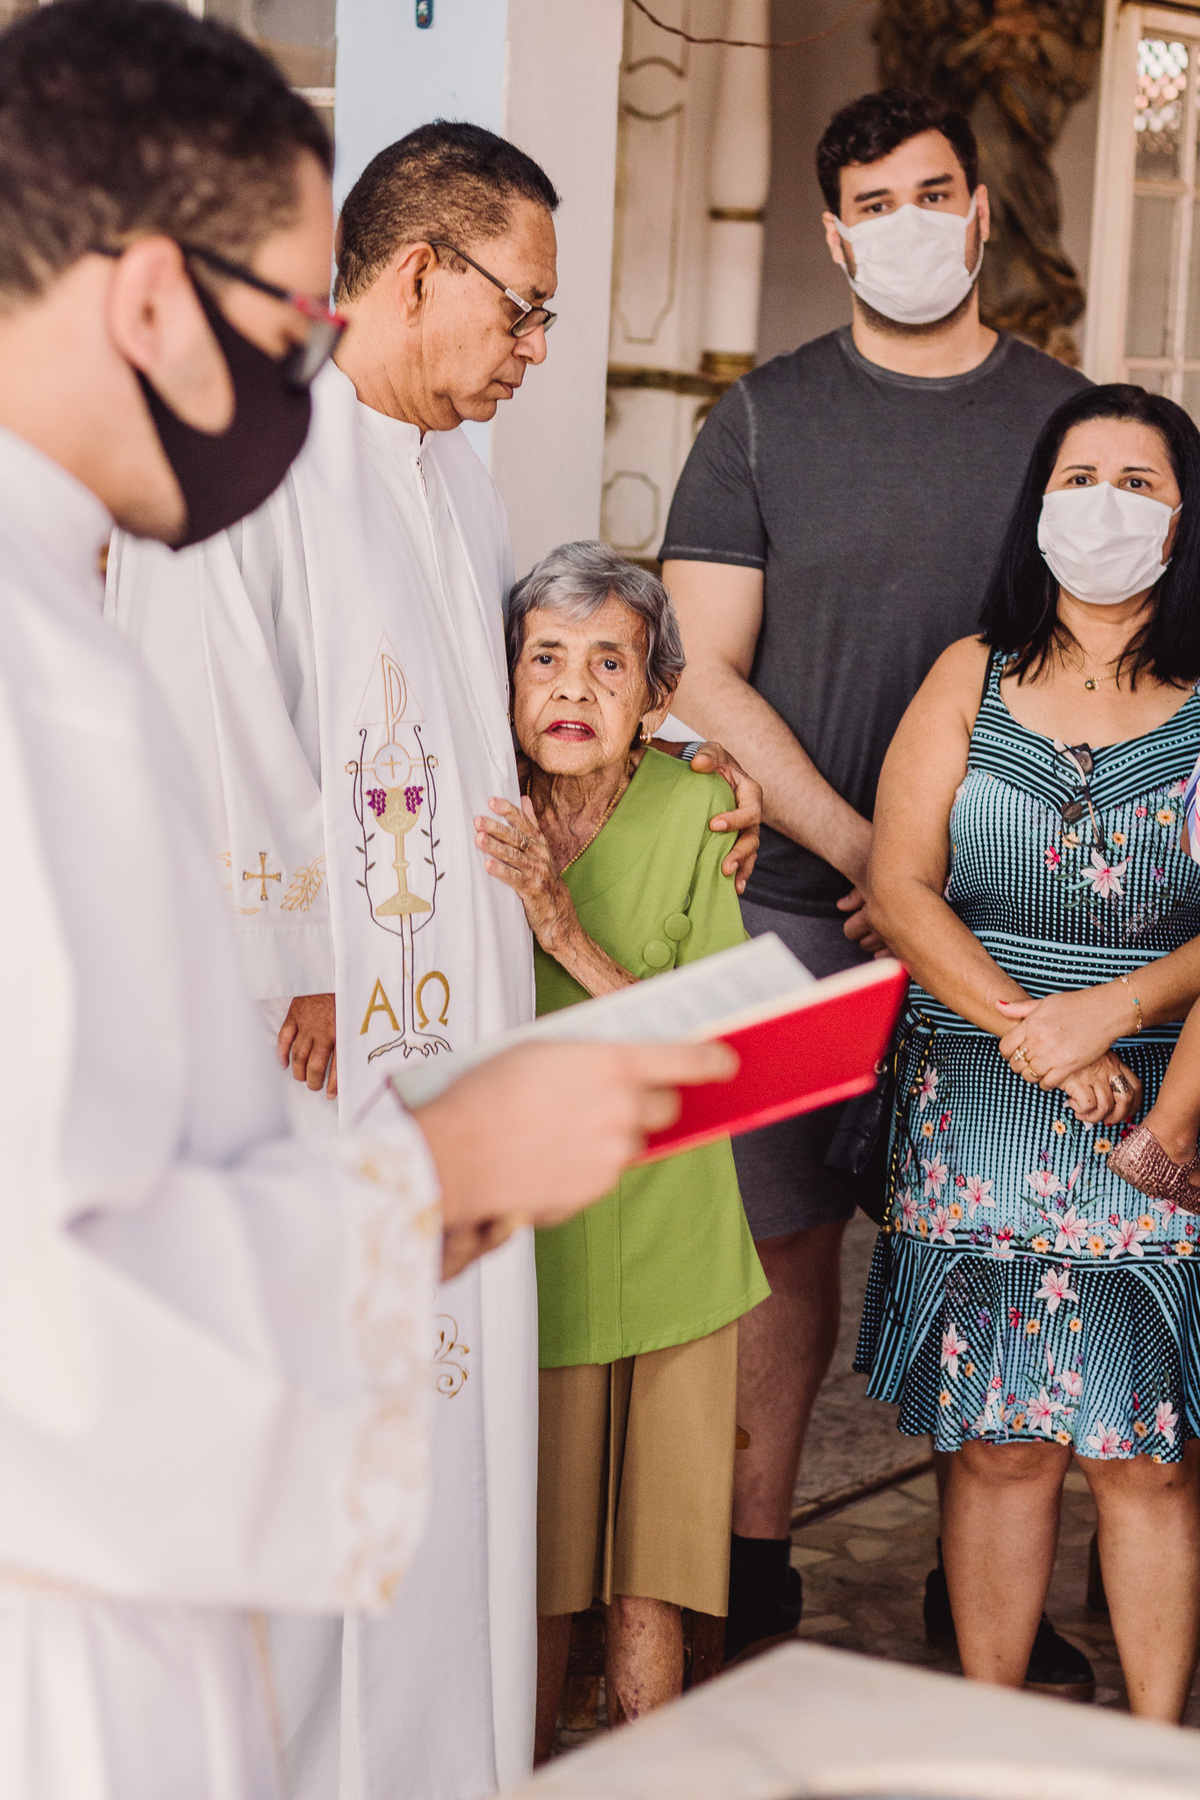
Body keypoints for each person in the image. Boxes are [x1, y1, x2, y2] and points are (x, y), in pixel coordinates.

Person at [0, 6, 736, 1797]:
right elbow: (219, 760)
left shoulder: (457, 482)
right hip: (329, 1073)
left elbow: (476, 724)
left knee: (444, 1487)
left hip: (435, 1037)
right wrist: (373, 1097)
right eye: (521, 305)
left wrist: (652, 757)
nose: (536, 348)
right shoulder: (199, 515)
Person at [658, 85, 1092, 1680]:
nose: (913, 225)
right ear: (837, 235)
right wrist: (862, 853)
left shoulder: (1074, 425)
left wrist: (949, 877)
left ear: (981, 210)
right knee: (774, 1247)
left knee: (1005, 1242)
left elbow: (1119, 660)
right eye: (879, 204)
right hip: (789, 902)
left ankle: (982, 1592)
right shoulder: (762, 419)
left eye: (937, 193)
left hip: (1022, 921)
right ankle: (755, 1567)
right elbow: (699, 669)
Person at [858, 384, 1200, 1723]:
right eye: (1080, 476)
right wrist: (1036, 1033)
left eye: (1139, 481)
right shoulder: (969, 675)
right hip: (977, 1096)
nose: (1104, 505)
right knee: (998, 1449)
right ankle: (991, 1738)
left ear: (1185, 516)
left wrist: (1111, 1016)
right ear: (1036, 504)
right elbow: (900, 888)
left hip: (1164, 1106)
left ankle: (1160, 1750)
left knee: (1148, 1454)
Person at [472, 542, 769, 1758]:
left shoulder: (703, 806)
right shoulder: (469, 804)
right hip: (525, 1237)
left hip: (670, 1232)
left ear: (657, 701)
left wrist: (559, 922)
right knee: (531, 1563)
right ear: (504, 679)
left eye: (613, 665)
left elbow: (711, 1051)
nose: (575, 691)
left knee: (654, 1564)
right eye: (546, 658)